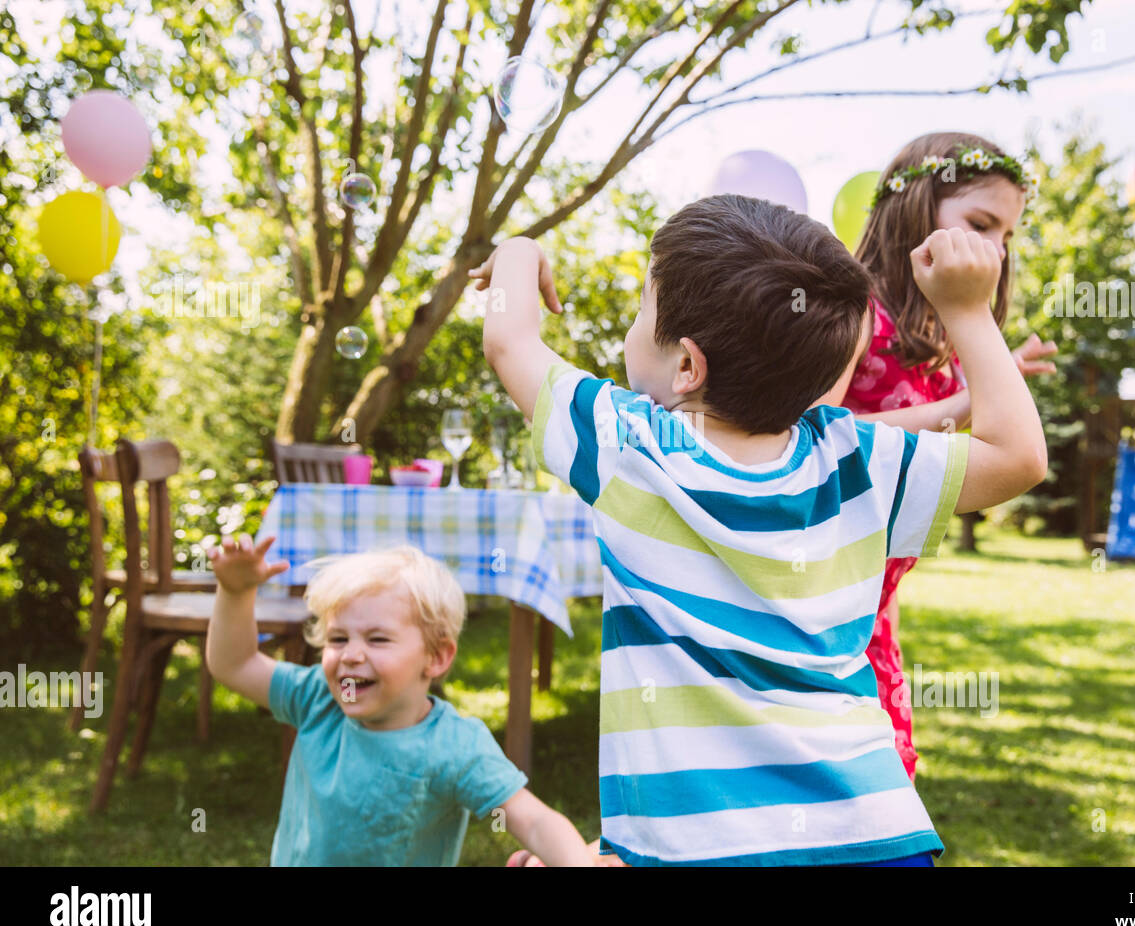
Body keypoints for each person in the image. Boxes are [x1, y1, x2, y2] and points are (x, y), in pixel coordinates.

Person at [472, 192, 1047, 866]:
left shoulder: (629, 445)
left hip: (702, 849)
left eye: (641, 312)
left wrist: (518, 252)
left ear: (687, 366)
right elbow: (1019, 457)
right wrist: (968, 309)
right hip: (873, 834)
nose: (631, 330)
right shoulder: (854, 458)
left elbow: (509, 338)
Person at [815, 132, 1060, 780]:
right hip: (814, 604)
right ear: (915, 207)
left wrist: (985, 379)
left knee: (886, 786)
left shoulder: (936, 336)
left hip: (874, 611)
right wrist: (968, 402)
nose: (996, 251)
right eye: (981, 223)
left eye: (1006, 235)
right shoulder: (851, 313)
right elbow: (813, 440)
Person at [204, 539, 593, 866]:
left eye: (377, 639)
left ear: (436, 658)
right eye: (338, 639)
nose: (351, 654)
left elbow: (534, 820)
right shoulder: (316, 700)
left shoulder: (453, 745)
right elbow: (234, 663)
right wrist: (236, 594)